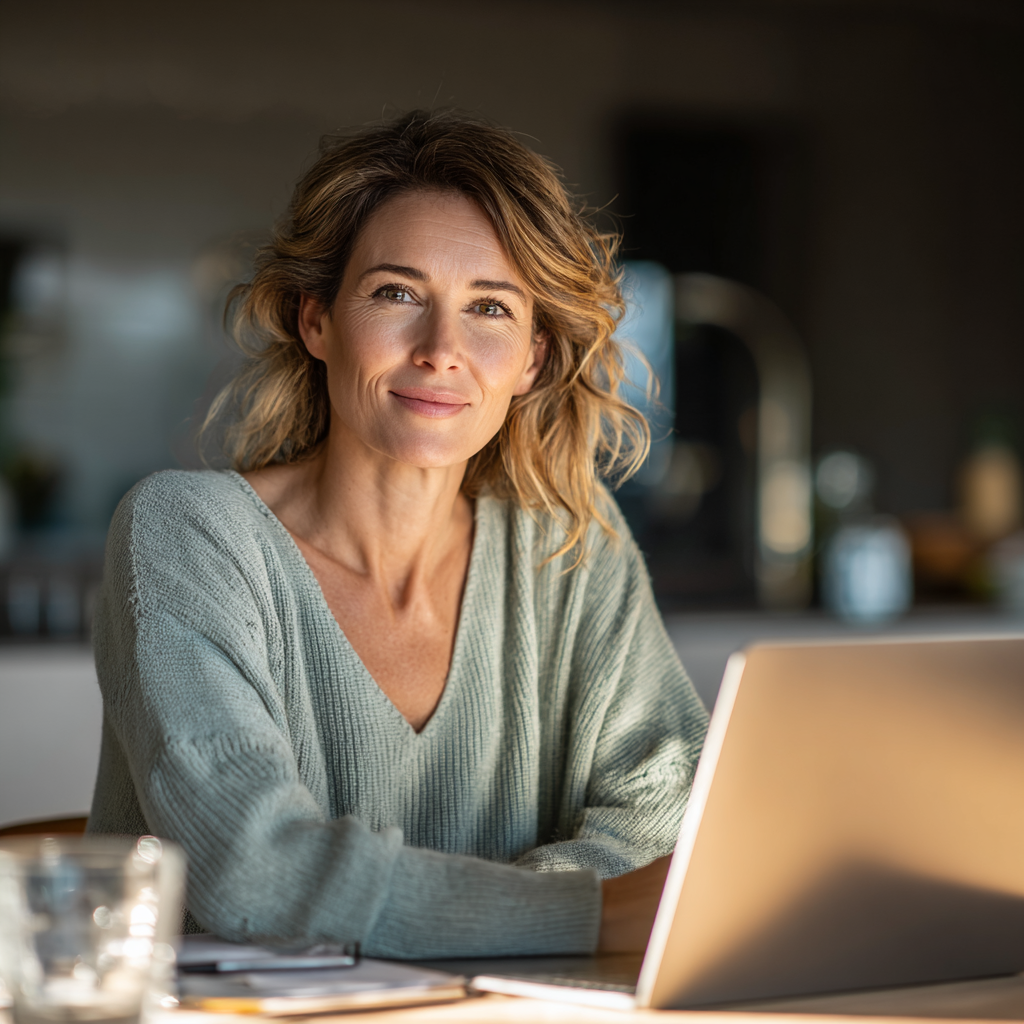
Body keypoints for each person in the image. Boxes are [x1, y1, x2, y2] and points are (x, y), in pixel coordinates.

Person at [88, 110, 709, 958]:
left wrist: (465, 918)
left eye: (489, 307)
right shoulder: (185, 532)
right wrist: (582, 913)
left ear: (530, 358)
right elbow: (256, 872)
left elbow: (665, 823)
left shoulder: (572, 548)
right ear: (316, 321)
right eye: (397, 294)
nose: (441, 349)